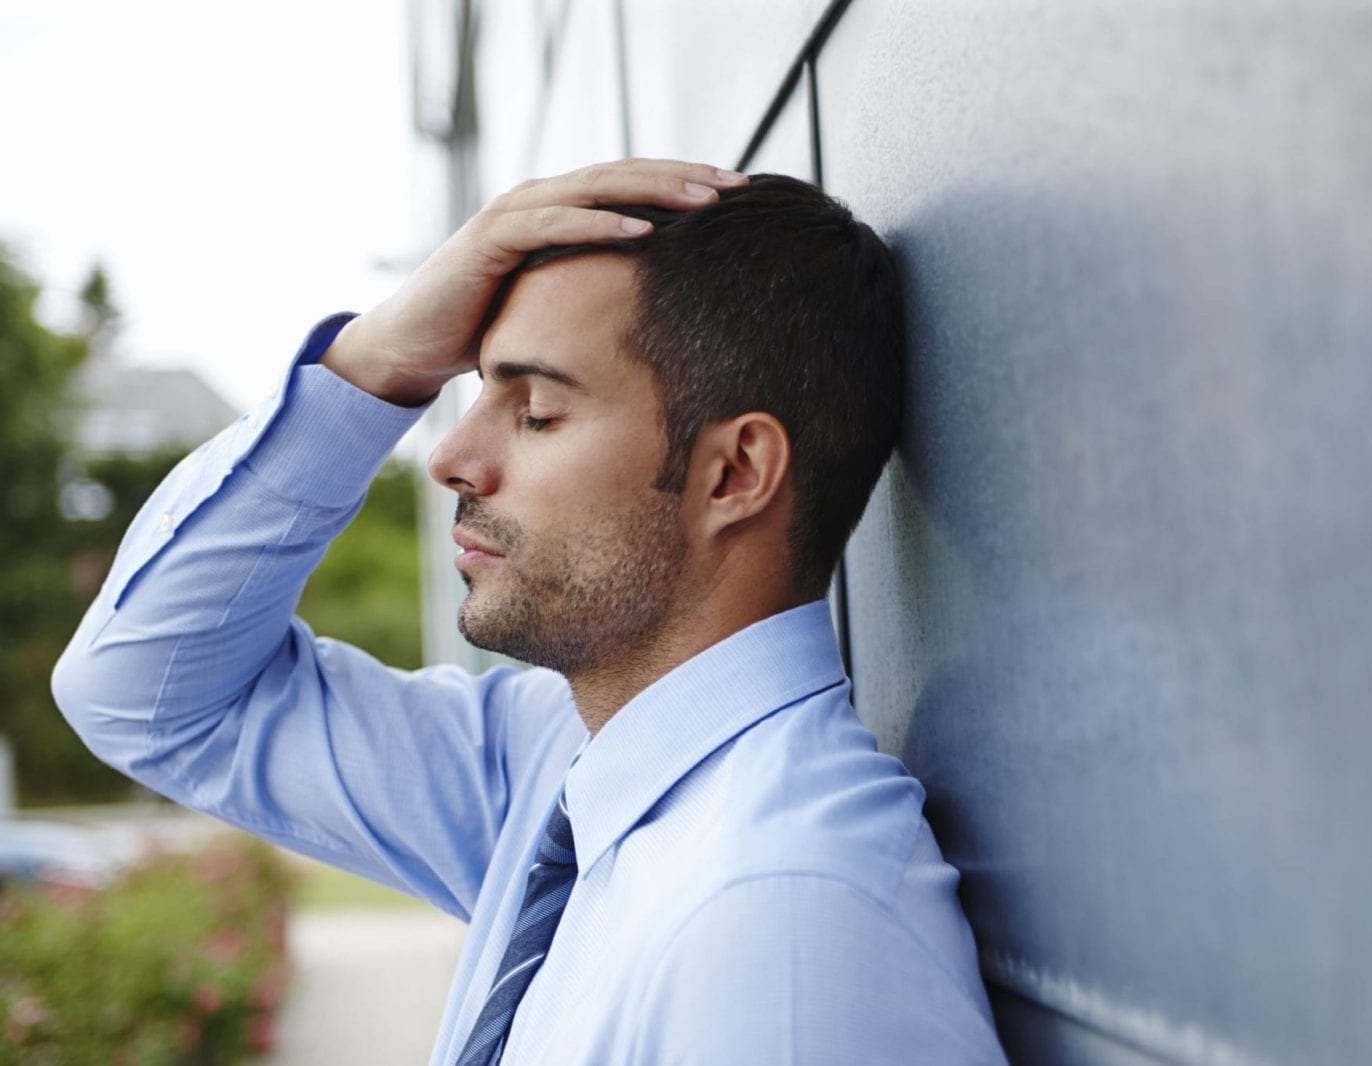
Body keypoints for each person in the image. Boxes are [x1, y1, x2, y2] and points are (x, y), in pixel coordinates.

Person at [53, 158, 1007, 1064]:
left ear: (735, 474)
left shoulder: (783, 926)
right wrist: (375, 362)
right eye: (476, 394)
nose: (449, 457)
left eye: (537, 411)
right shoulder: (550, 768)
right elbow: (148, 698)